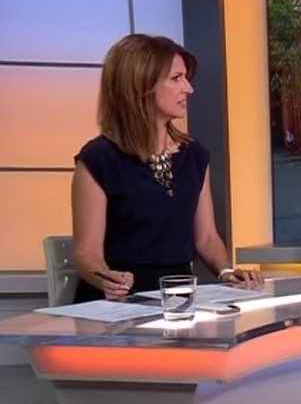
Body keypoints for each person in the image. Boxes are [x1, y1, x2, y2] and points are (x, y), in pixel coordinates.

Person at [71, 34, 262, 303]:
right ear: (140, 86)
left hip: (177, 298)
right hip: (118, 302)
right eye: (176, 78)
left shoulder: (194, 155)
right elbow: (86, 252)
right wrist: (106, 279)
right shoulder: (98, 159)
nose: (189, 89)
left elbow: (207, 238)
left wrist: (227, 272)